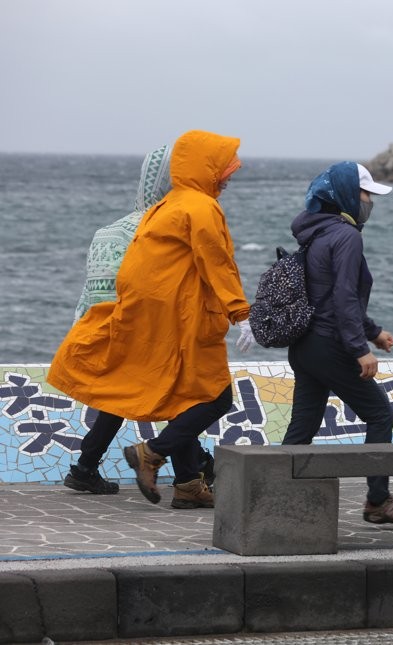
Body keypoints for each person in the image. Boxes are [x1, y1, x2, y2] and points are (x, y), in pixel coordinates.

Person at [48, 130, 252, 509]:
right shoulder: (200, 207)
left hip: (153, 325)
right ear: (206, 168)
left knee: (183, 398)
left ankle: (188, 486)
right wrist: (241, 312)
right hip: (183, 325)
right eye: (225, 169)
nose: (229, 176)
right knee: (212, 395)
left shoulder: (163, 209)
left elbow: (132, 277)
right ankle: (151, 454)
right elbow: (217, 261)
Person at [282, 161, 393, 525]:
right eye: (366, 193)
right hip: (330, 344)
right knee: (379, 415)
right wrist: (361, 348)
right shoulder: (346, 236)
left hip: (305, 345)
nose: (370, 201)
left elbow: (329, 295)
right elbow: (344, 297)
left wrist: (373, 331)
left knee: (302, 427)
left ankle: (273, 492)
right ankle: (378, 500)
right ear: (344, 195)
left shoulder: (316, 232)